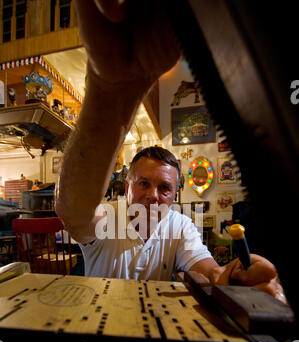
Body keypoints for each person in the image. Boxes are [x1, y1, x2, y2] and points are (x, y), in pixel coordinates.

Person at [55, 0, 286, 302]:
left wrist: (230, 281)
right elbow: (72, 212)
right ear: (126, 188)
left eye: (164, 188)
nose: (152, 195)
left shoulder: (179, 226)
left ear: (175, 195)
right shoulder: (108, 218)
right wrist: (109, 90)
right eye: (143, 183)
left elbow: (209, 271)